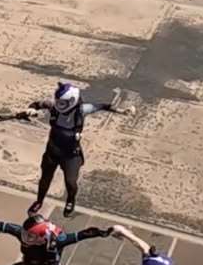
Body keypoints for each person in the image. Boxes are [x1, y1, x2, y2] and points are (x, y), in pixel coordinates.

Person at [19, 83, 133, 217]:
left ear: (72, 101)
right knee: (45, 179)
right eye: (58, 101)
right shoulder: (53, 105)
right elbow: (36, 104)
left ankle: (70, 200)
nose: (59, 105)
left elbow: (102, 106)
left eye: (63, 103)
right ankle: (39, 201)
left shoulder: (82, 110)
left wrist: (121, 111)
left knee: (71, 182)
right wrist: (31, 110)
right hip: (53, 151)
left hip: (71, 154)